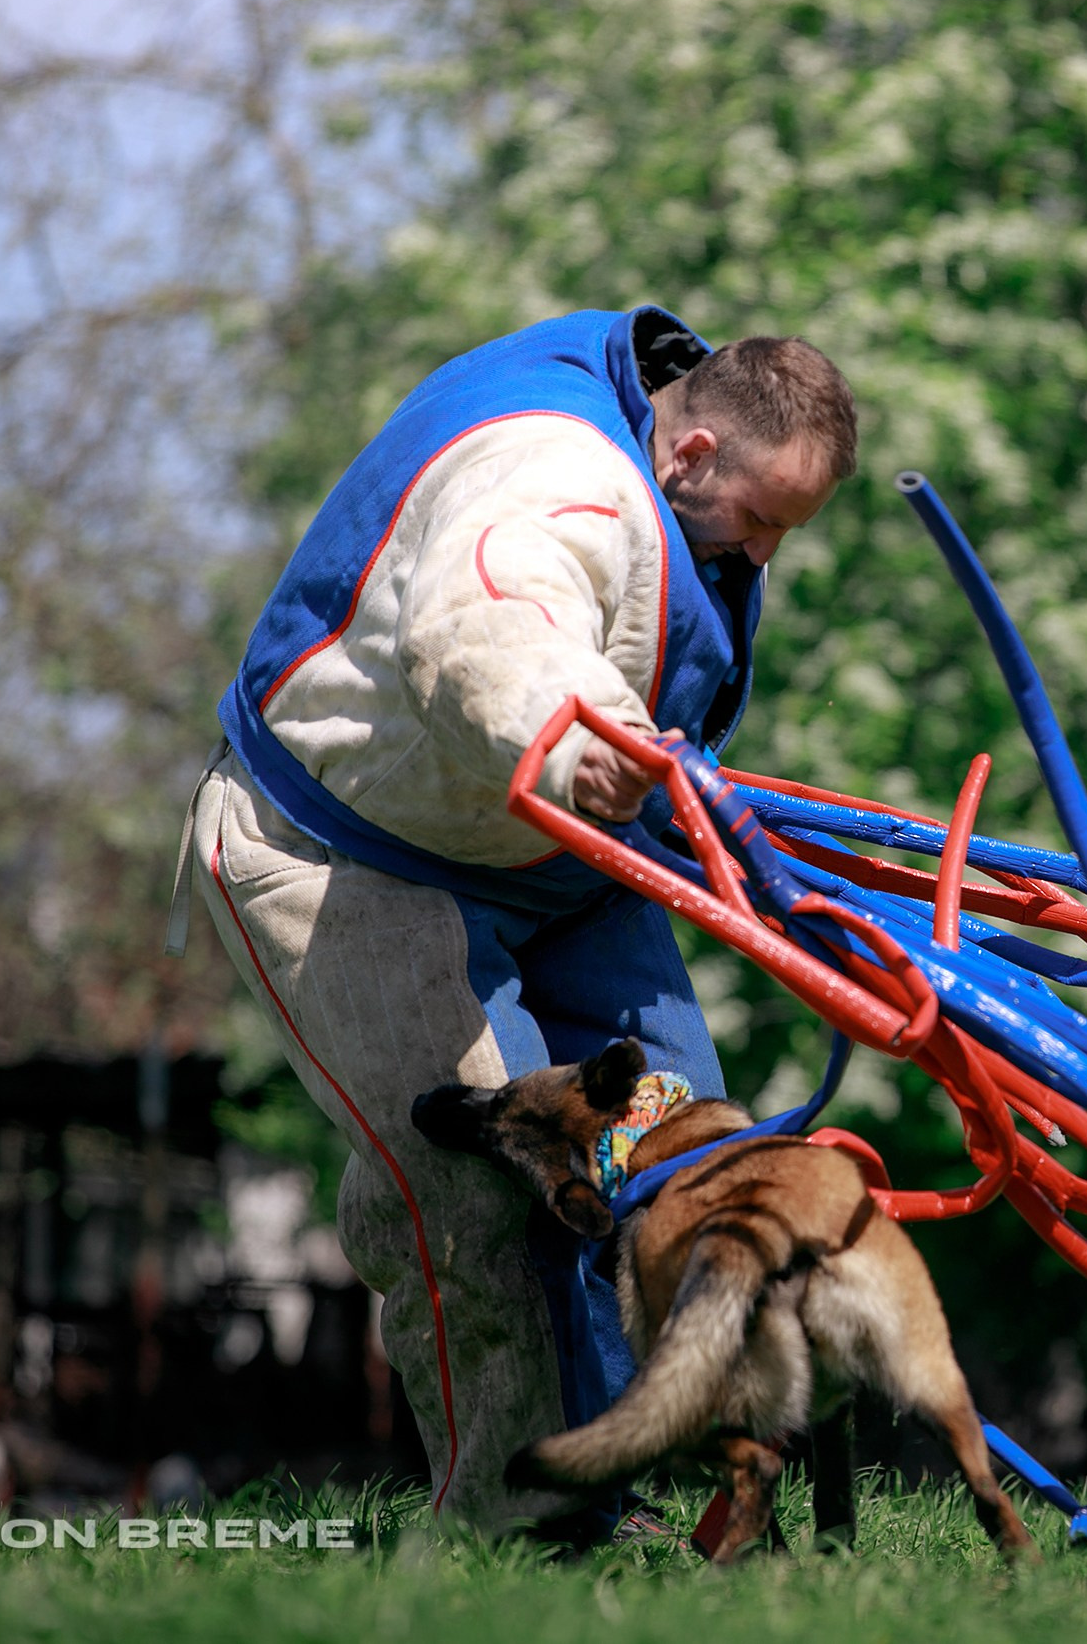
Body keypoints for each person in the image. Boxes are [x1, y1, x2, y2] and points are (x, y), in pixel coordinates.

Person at [176, 306, 855, 1534]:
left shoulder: (668, 453)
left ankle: (653, 1485)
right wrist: (567, 727)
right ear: (691, 454)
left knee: (681, 1158)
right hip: (348, 856)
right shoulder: (553, 471)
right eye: (759, 521)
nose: (760, 558)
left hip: (563, 860)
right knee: (481, 1188)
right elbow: (486, 615)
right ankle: (521, 1524)